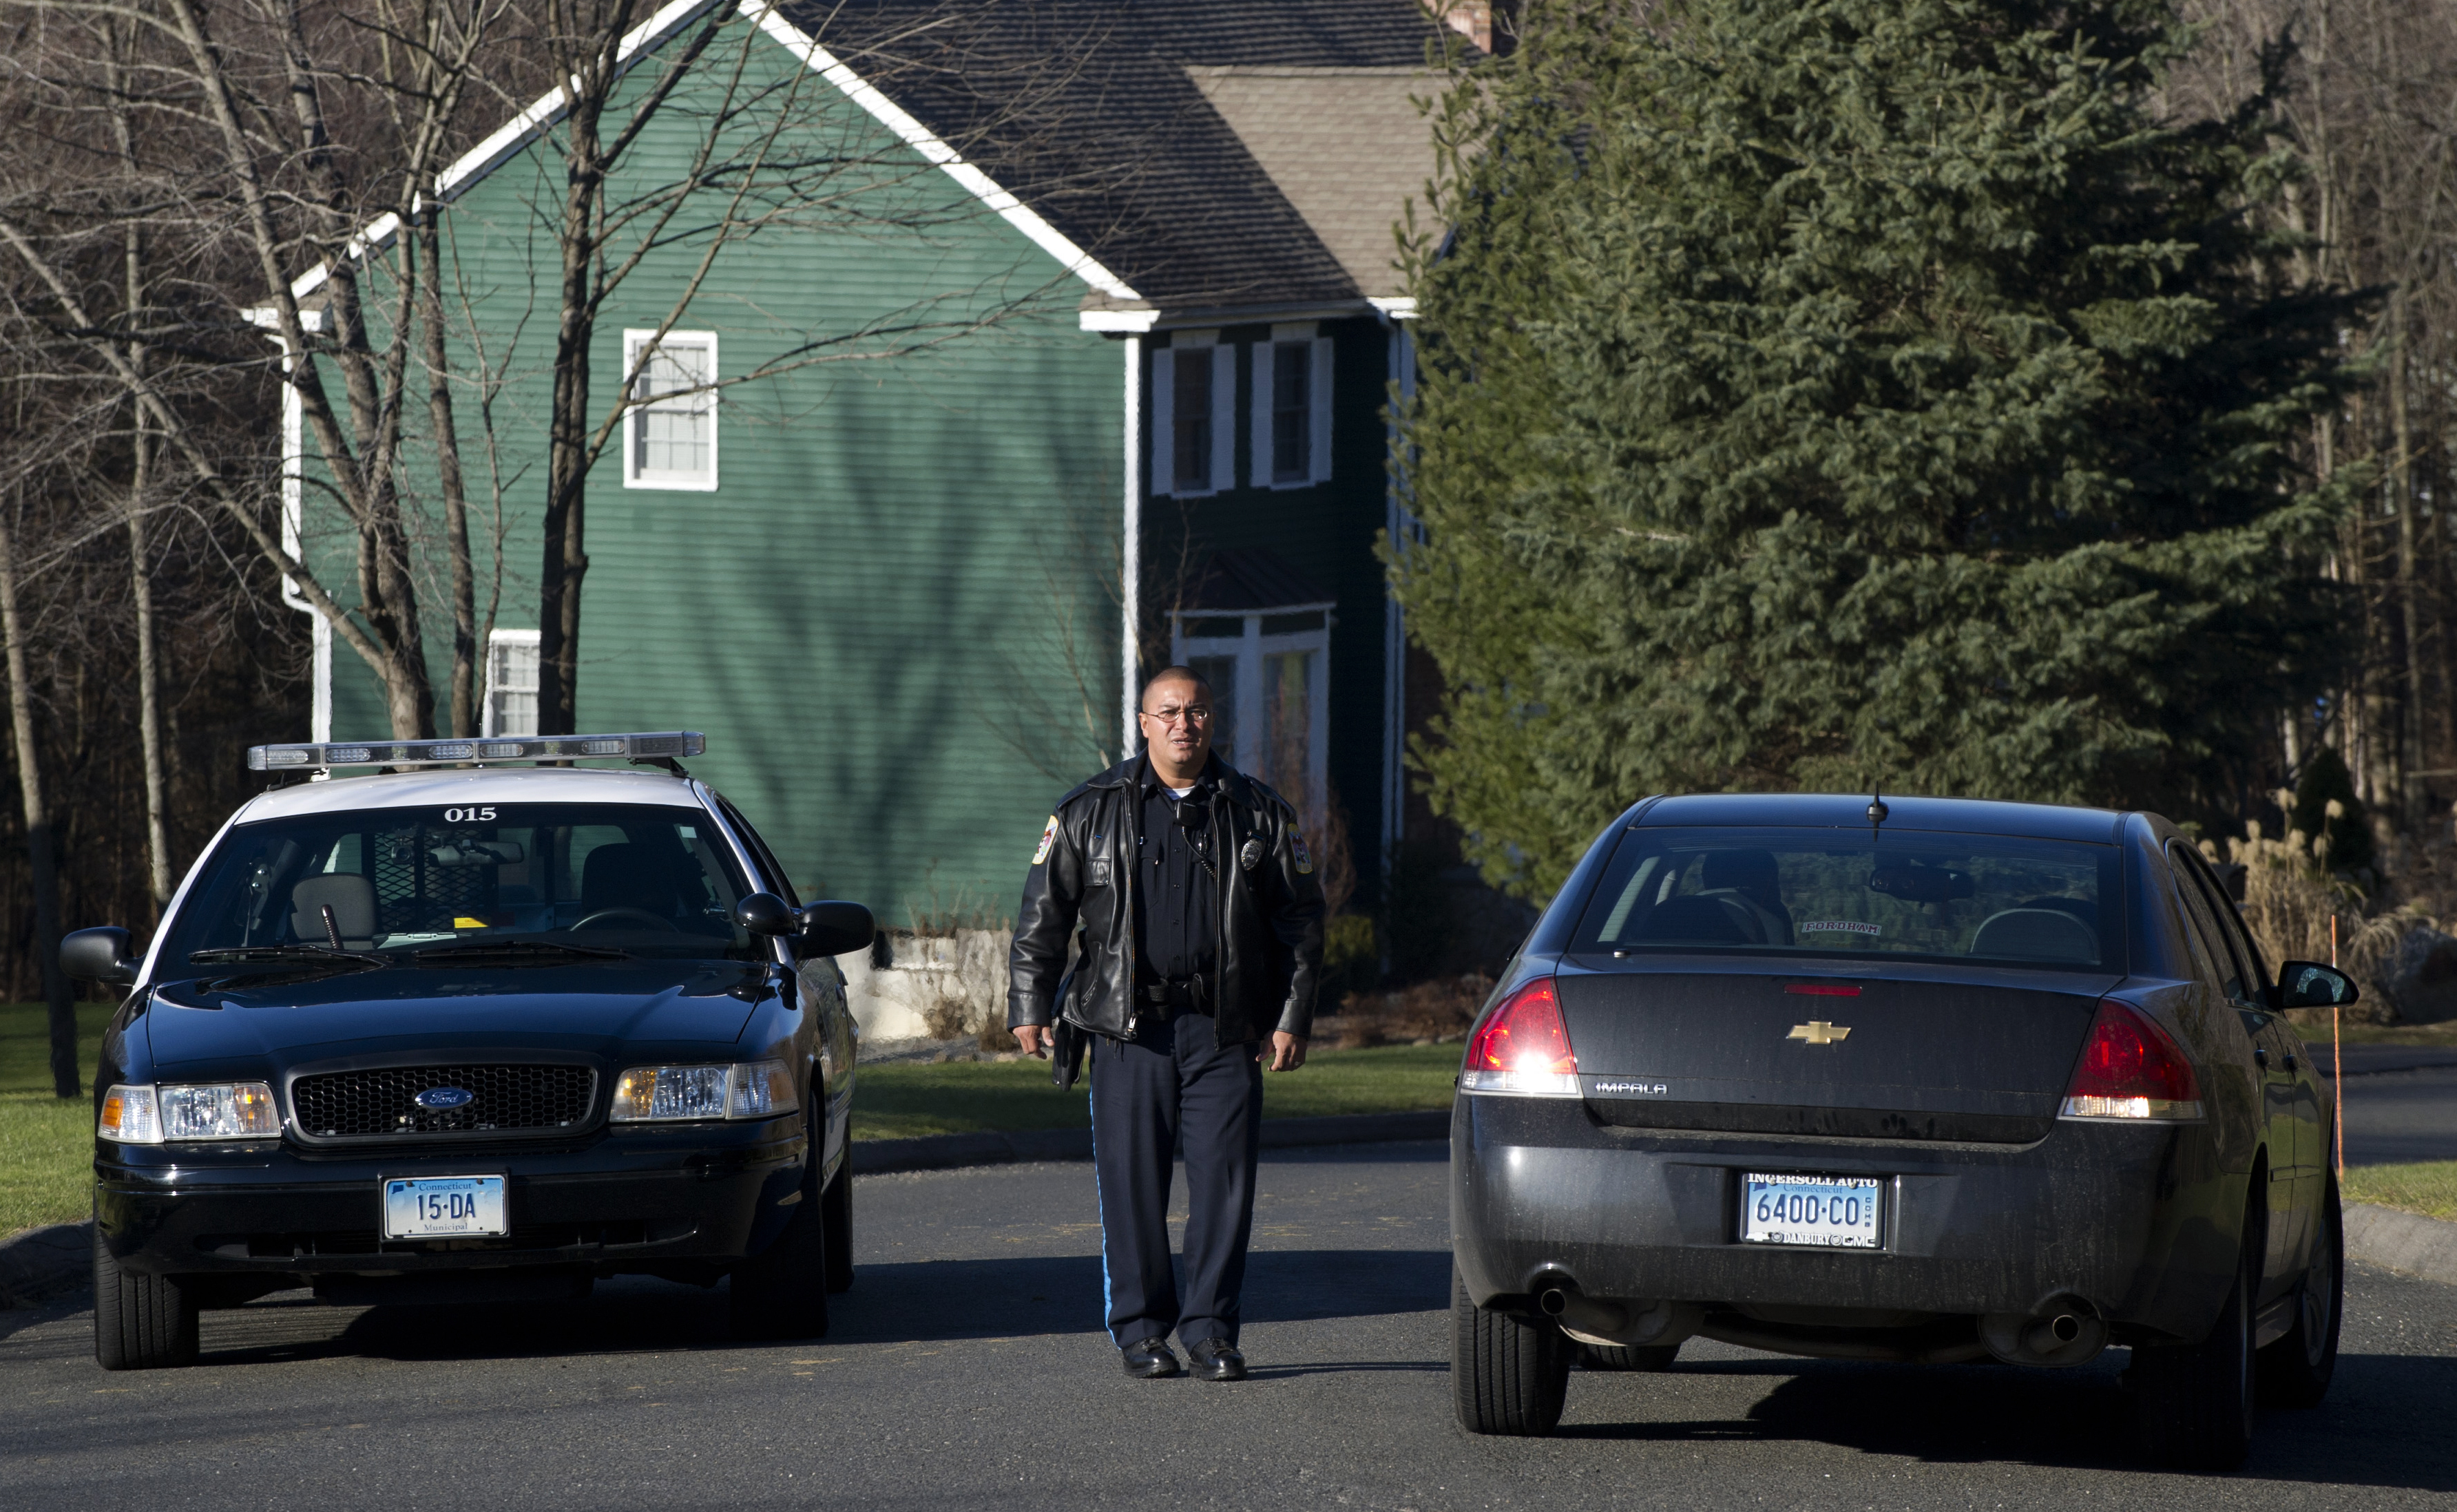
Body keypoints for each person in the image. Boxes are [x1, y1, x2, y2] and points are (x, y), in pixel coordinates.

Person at [1008, 665, 1326, 1380]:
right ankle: (1142, 1330)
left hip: (1225, 1028)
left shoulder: (1257, 812)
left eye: (1199, 712)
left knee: (1224, 1185)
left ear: (1214, 722)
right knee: (1132, 1186)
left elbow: (1301, 922)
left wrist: (1291, 1015)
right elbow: (1043, 916)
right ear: (1145, 722)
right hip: (1129, 1028)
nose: (1185, 724)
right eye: (1170, 712)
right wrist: (1027, 1004)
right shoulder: (1090, 810)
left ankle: (1211, 1331)